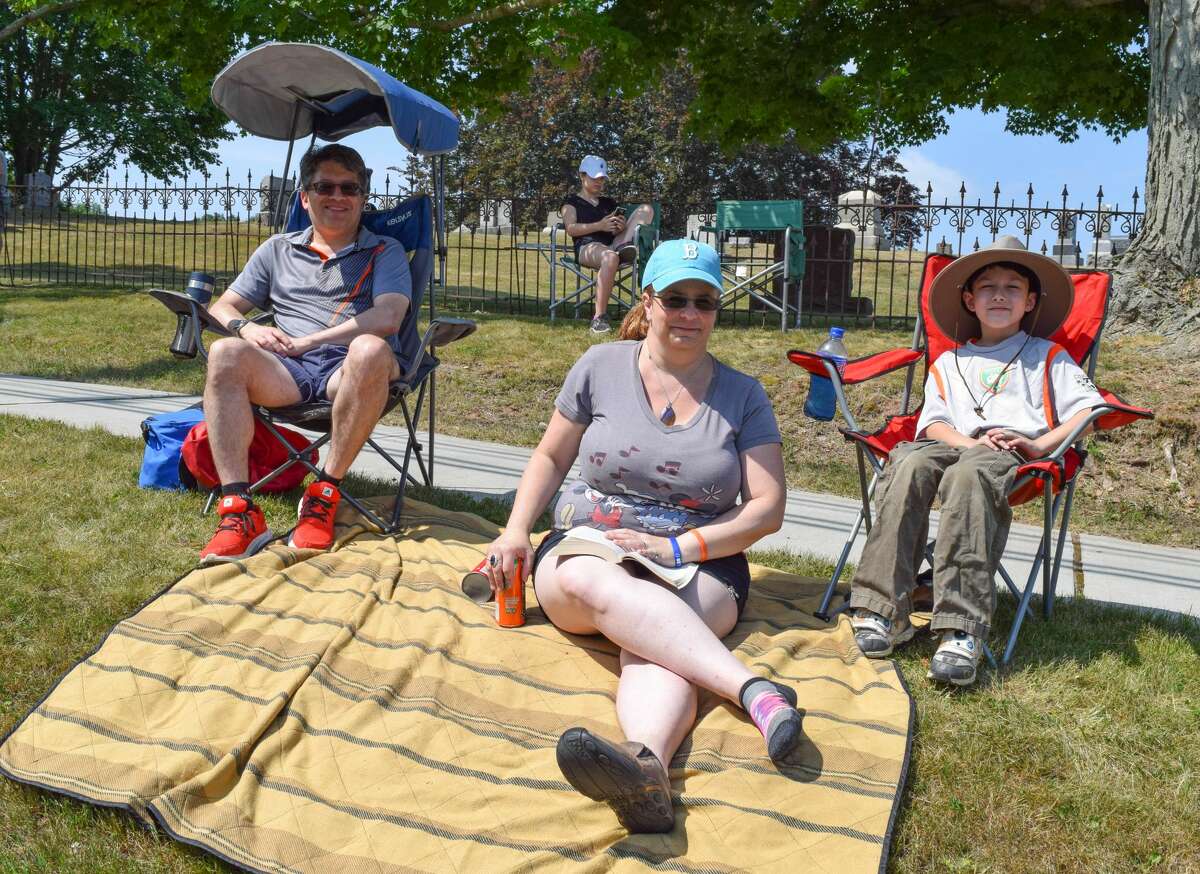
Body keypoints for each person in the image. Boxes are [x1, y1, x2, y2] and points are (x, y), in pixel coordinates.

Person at [483, 239, 803, 834]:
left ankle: (646, 770)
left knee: (654, 641)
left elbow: (767, 509)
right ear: (648, 300)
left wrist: (680, 549)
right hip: (590, 544)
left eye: (704, 302)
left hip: (700, 558)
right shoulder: (601, 365)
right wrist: (516, 530)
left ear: (717, 310)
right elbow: (552, 455)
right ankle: (757, 692)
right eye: (676, 298)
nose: (689, 313)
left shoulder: (743, 395)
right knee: (590, 578)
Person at [848, 235, 1104, 686]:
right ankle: (885, 610)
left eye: (1013, 288)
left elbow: (1090, 411)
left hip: (1013, 456)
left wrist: (1041, 445)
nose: (1000, 295)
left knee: (969, 475)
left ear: (1030, 302)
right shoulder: (950, 361)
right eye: (988, 287)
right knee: (907, 463)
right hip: (956, 445)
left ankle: (959, 630)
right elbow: (933, 424)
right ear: (969, 299)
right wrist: (970, 444)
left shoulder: (1048, 356)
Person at [198, 143, 414, 564]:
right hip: (285, 369)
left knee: (369, 349)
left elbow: (388, 317)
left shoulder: (384, 250)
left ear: (363, 197)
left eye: (349, 188)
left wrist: (312, 341)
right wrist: (249, 328)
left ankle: (323, 494)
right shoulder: (277, 248)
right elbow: (221, 307)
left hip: (348, 369)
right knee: (225, 351)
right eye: (324, 187)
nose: (337, 197)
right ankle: (239, 511)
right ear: (305, 196)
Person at [560, 155, 655, 335]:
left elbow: (615, 228)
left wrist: (621, 226)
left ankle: (623, 247)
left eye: (602, 178)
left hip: (613, 243)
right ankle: (599, 318)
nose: (599, 181)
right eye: (595, 177)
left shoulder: (608, 203)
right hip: (588, 247)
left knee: (646, 209)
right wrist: (600, 225)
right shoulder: (571, 202)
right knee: (610, 257)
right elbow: (571, 228)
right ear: (582, 176)